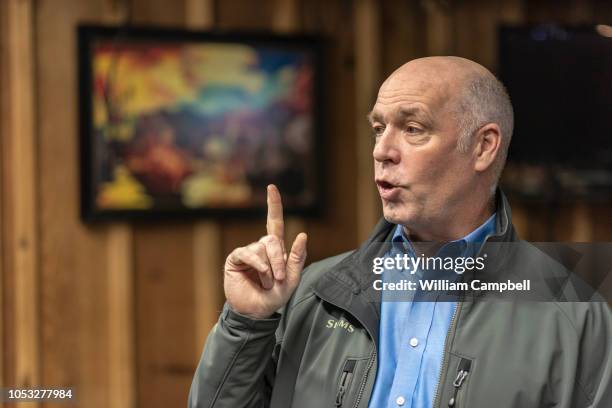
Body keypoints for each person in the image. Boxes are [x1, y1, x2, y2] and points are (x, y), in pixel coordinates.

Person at [188, 57, 612, 407]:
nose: (382, 151)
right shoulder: (311, 295)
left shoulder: (578, 313)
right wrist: (247, 322)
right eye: (378, 128)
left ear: (483, 146)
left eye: (412, 129)